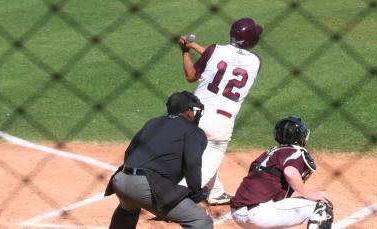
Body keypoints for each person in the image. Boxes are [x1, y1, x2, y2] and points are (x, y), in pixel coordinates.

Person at [178, 18, 264, 205]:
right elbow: (225, 63)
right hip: (221, 122)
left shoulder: (214, 50)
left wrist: (186, 51)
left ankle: (215, 192)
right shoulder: (256, 62)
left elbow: (191, 75)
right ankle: (177, 196)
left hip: (193, 114)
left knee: (198, 153)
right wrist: (195, 46)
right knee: (209, 161)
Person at [105, 91, 212, 229]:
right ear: (189, 112)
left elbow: (129, 152)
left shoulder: (153, 122)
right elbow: (192, 164)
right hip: (145, 185)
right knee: (200, 220)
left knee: (128, 209)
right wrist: (197, 197)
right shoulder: (194, 132)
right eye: (196, 111)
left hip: (120, 179)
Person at [230, 116, 333, 229]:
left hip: (237, 212)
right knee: (322, 207)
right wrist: (308, 194)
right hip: (259, 214)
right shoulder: (296, 152)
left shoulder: (269, 153)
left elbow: (252, 173)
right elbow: (290, 172)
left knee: (277, 205)